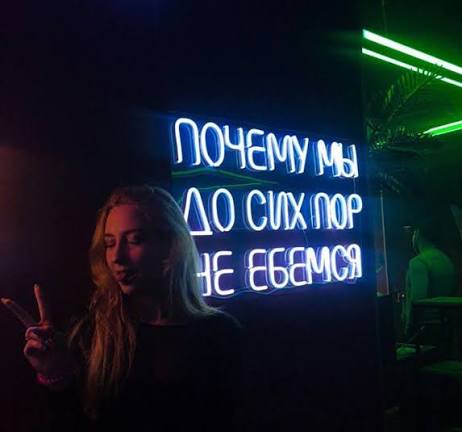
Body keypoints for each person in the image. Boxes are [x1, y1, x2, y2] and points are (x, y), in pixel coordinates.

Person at [2, 185, 242, 431]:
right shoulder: (92, 333)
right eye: (109, 243)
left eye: (135, 239)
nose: (117, 256)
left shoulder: (220, 334)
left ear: (170, 245)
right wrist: (55, 372)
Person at [401, 218, 456, 342]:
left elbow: (418, 301)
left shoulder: (418, 262)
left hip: (424, 330)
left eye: (413, 233)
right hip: (446, 326)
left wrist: (409, 329)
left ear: (418, 234)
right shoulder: (446, 260)